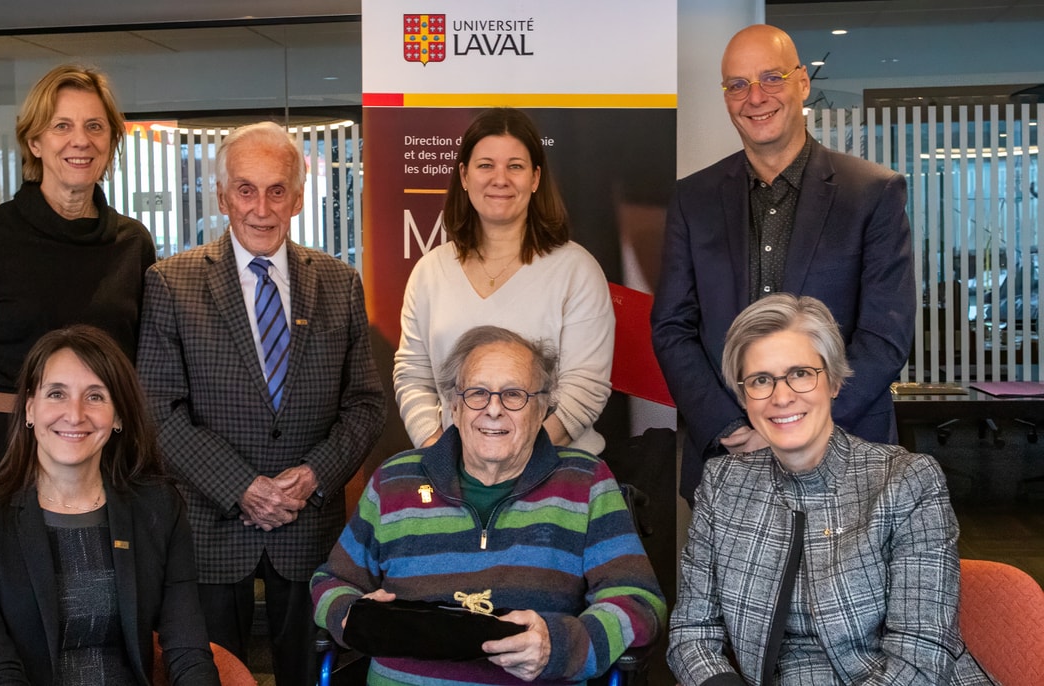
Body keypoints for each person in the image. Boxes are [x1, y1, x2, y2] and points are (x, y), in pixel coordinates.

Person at [137, 121, 384, 686]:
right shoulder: (170, 284)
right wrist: (241, 486)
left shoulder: (340, 283)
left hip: (308, 527)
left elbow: (366, 404)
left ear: (298, 198)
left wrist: (314, 475)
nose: (262, 208)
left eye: (277, 191)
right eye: (246, 190)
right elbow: (158, 410)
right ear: (222, 197)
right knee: (213, 675)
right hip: (210, 528)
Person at [667, 294, 992, 686]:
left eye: (801, 373)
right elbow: (691, 634)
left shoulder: (906, 480)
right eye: (760, 380)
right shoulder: (723, 486)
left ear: (834, 381)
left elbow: (920, 657)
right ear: (743, 396)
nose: (781, 396)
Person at [650, 24, 915, 505]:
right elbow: (672, 326)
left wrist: (795, 425)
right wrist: (731, 427)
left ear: (803, 83)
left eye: (772, 78)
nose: (755, 97)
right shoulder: (693, 199)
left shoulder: (872, 193)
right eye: (738, 84)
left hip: (847, 456)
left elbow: (884, 335)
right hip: (729, 460)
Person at [313, 326, 665, 685]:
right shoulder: (394, 480)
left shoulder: (585, 482)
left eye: (514, 395)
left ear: (542, 408)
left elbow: (638, 601)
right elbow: (333, 580)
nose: (493, 410)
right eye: (477, 393)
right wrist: (347, 614)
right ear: (454, 405)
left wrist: (558, 645)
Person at [0, 325, 220, 686]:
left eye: (95, 396)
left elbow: (188, 650)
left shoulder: (159, 508)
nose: (75, 414)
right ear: (30, 408)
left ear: (118, 416)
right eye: (56, 394)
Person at [0, 63, 156, 483]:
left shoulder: (132, 244)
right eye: (62, 126)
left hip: (103, 457)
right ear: (35, 142)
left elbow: (144, 369)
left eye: (95, 126)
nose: (81, 140)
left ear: (111, 141)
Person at [394, 107, 614, 456]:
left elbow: (585, 388)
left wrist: (515, 462)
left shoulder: (577, 270)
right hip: (452, 475)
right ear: (464, 176)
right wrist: (439, 454)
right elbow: (413, 378)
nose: (500, 179)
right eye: (485, 165)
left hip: (555, 470)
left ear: (535, 178)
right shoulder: (429, 272)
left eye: (515, 166)